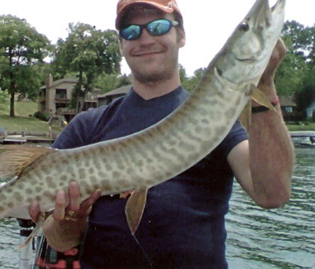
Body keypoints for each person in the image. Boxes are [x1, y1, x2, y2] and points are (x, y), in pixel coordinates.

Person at [30, 0, 294, 268]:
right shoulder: (87, 126)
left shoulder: (217, 120)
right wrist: (69, 222)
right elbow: (60, 241)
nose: (145, 38)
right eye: (131, 32)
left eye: (159, 26)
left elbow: (272, 194)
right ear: (122, 45)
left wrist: (264, 85)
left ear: (181, 35)